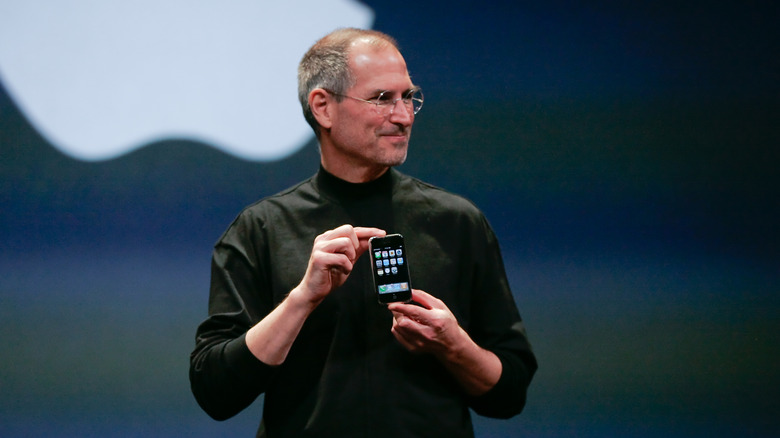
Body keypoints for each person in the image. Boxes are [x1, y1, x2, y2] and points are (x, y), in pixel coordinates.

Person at [189, 28, 537, 438]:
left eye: (408, 97)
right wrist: (302, 300)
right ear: (323, 107)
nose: (404, 116)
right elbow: (216, 393)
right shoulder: (261, 228)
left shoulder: (457, 222)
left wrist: (454, 345)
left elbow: (509, 393)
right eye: (381, 98)